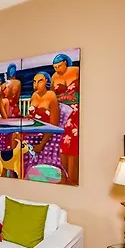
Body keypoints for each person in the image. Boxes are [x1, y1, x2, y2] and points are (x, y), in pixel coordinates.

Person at [51, 53, 80, 185]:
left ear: (65, 63)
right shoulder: (54, 77)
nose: (57, 69)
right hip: (61, 112)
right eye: (55, 67)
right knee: (61, 145)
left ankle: (73, 178)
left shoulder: (76, 71)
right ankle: (63, 177)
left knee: (73, 145)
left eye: (59, 66)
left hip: (75, 111)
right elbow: (51, 95)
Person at [28, 72, 59, 153]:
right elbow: (32, 115)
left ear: (46, 81)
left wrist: (41, 145)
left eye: (40, 81)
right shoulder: (34, 95)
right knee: (15, 135)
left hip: (45, 132)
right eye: (34, 82)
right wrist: (28, 117)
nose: (36, 85)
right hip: (32, 129)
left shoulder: (51, 96)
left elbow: (54, 124)